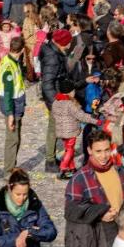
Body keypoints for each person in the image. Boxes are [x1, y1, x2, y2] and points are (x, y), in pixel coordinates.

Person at [39, 28, 73, 172]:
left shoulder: (52, 51)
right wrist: (55, 102)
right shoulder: (53, 57)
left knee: (54, 127)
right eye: (68, 43)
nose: (70, 45)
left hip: (57, 94)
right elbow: (47, 83)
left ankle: (51, 157)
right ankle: (50, 161)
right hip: (54, 97)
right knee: (53, 128)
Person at [0, 36, 27, 174]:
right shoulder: (9, 66)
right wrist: (10, 114)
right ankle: (8, 171)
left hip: (16, 105)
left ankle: (12, 166)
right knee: (12, 139)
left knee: (16, 138)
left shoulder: (11, 60)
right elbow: (8, 92)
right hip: (12, 106)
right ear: (22, 50)